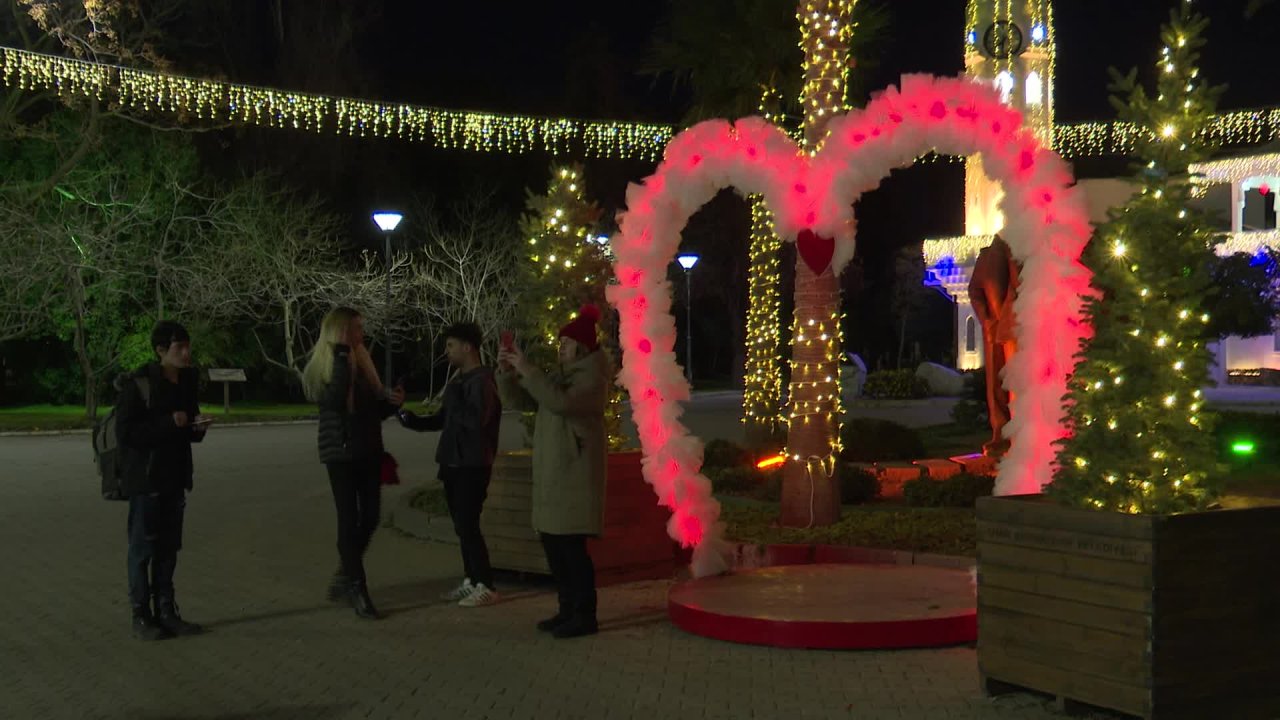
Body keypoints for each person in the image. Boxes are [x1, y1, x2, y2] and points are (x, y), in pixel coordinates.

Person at [496, 305, 608, 639]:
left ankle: (585, 615)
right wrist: (507, 372)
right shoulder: (559, 376)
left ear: (582, 347)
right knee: (554, 546)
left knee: (571, 548)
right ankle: (566, 610)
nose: (560, 346)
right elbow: (525, 401)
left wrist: (528, 369)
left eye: (567, 342)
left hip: (574, 476)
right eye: (560, 342)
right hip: (555, 475)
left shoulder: (591, 378)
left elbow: (561, 403)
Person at [302, 307, 404, 620]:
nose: (362, 334)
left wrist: (391, 402)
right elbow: (334, 402)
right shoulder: (327, 363)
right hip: (340, 452)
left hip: (369, 448)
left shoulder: (363, 360)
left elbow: (370, 408)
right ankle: (357, 588)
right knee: (348, 518)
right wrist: (344, 356)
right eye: (356, 329)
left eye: (362, 328)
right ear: (342, 331)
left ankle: (346, 573)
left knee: (371, 515)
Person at [116, 320, 212, 641]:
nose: (186, 353)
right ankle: (141, 615)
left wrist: (197, 427)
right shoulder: (139, 384)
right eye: (178, 348)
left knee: (169, 548)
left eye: (187, 346)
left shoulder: (186, 381)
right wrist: (169, 422)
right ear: (160, 351)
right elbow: (126, 433)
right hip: (146, 481)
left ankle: (167, 612)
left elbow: (187, 429)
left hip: (175, 476)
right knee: (142, 548)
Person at [398, 322, 503, 608]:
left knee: (468, 525)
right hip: (453, 462)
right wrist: (414, 422)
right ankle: (471, 580)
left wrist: (454, 396)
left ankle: (486, 585)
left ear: (467, 347)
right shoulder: (460, 381)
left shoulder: (482, 382)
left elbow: (475, 421)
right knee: (461, 526)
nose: (447, 352)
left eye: (451, 345)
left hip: (472, 464)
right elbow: (446, 419)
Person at [968, 235, 1021, 458]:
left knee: (1012, 382)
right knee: (1002, 383)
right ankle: (1004, 433)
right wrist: (988, 321)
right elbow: (975, 291)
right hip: (1001, 327)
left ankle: (1013, 433)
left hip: (1008, 326)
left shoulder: (1012, 253)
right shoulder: (1001, 252)